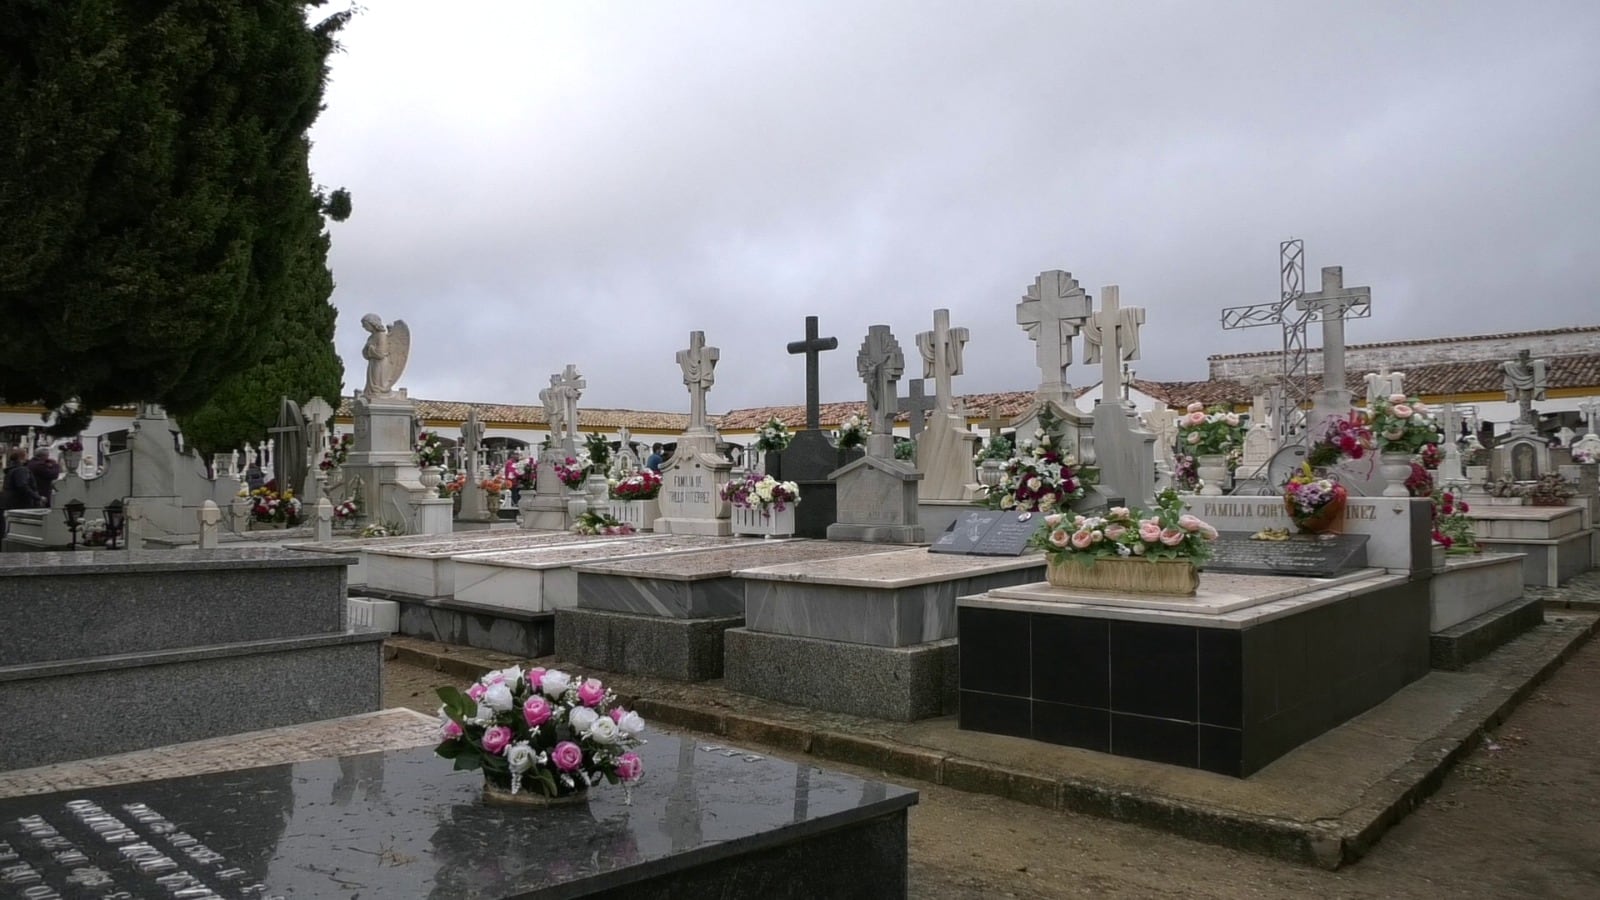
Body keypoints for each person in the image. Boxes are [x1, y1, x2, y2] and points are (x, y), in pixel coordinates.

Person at [1, 448, 41, 541]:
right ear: (22, 456)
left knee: (5, 525)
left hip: (7, 501)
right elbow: (22, 485)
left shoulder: (11, 469)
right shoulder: (21, 470)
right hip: (18, 501)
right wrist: (37, 497)